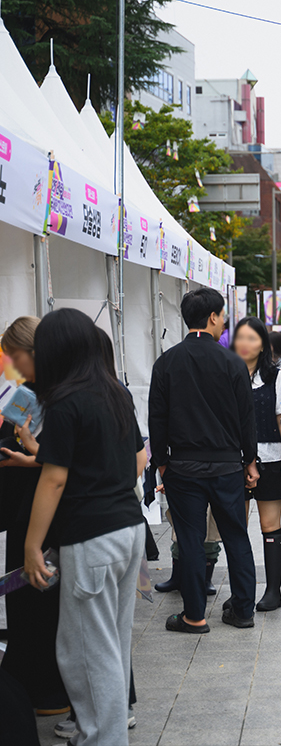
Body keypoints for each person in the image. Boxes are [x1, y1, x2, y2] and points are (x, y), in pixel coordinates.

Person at [23, 309, 146, 745]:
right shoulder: (115, 392)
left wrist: (32, 546)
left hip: (91, 538)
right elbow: (137, 460)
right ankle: (101, 733)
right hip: (128, 530)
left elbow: (54, 478)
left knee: (87, 654)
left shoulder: (64, 402)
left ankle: (104, 738)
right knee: (108, 643)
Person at [149, 287, 259, 633]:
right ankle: (243, 611)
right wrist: (250, 460)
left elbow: (157, 418)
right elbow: (247, 418)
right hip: (228, 465)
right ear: (212, 317)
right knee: (236, 536)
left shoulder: (167, 361)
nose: (225, 321)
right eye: (223, 315)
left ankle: (193, 615)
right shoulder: (233, 363)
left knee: (191, 538)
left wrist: (162, 461)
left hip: (183, 466)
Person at [0, 317, 70, 715]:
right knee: (31, 600)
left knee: (41, 597)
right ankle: (37, 685)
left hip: (47, 515)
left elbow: (57, 467)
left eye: (15, 356)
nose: (12, 365)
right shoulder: (34, 392)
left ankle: (49, 689)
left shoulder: (63, 396)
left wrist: (30, 456)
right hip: (33, 509)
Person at [230, 317, 281, 612]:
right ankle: (240, 590)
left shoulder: (275, 376)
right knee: (236, 526)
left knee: (270, 526)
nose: (245, 344)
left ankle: (273, 591)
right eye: (240, 338)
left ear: (263, 345)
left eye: (252, 339)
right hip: (234, 461)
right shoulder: (227, 373)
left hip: (270, 459)